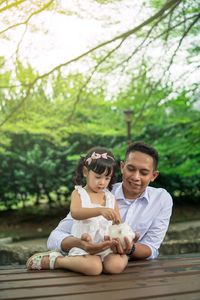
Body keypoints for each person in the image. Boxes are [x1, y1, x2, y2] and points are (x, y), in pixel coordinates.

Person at [26, 147, 129, 275]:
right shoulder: (79, 193)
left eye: (107, 178)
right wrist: (100, 211)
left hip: (105, 246)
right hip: (84, 247)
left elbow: (117, 222)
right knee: (94, 268)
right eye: (98, 177)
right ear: (86, 172)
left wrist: (121, 233)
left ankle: (115, 259)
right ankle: (56, 261)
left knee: (115, 267)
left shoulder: (110, 197)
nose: (102, 182)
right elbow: (76, 213)